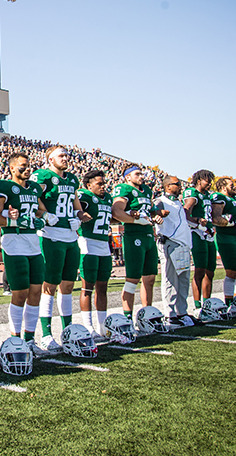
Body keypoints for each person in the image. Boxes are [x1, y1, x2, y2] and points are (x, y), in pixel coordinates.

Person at [30, 146, 91, 350]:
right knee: (49, 286)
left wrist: (80, 215)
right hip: (50, 235)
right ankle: (46, 334)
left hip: (69, 235)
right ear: (50, 159)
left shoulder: (72, 178)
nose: (66, 158)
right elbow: (32, 195)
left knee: (67, 285)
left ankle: (68, 330)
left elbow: (74, 200)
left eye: (67, 155)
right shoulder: (42, 175)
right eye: (61, 155)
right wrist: (45, 214)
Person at [0, 152, 47, 353]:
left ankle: (30, 339)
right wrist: (10, 218)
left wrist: (43, 218)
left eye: (28, 165)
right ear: (12, 168)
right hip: (14, 241)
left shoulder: (34, 188)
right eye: (22, 166)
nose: (27, 169)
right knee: (20, 292)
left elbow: (40, 211)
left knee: (36, 292)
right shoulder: (4, 187)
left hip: (33, 242)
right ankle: (16, 339)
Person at [111, 165, 166, 322]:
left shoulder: (147, 191)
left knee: (150, 278)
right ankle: (127, 316)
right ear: (128, 177)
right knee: (133, 278)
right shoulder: (123, 189)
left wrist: (155, 217)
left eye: (141, 173)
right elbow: (117, 212)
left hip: (148, 234)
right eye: (137, 174)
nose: (141, 176)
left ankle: (147, 313)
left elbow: (150, 211)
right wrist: (137, 220)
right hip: (134, 234)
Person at [76, 170, 114, 337]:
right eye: (99, 183)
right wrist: (80, 214)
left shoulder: (108, 198)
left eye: (103, 183)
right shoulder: (84, 196)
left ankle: (102, 325)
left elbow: (110, 217)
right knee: (87, 287)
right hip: (88, 242)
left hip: (103, 243)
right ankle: (88, 326)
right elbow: (74, 209)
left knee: (103, 287)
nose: (103, 186)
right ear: (88, 185)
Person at [153, 176, 195, 326]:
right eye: (177, 184)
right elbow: (153, 213)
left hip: (182, 243)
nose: (180, 186)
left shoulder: (178, 202)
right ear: (167, 186)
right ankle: (169, 313)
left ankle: (182, 311)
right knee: (170, 279)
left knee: (183, 279)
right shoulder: (160, 200)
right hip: (170, 241)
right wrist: (158, 214)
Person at [182, 170, 217, 311]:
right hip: (197, 233)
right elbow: (186, 212)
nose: (209, 183)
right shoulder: (192, 193)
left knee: (210, 270)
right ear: (198, 180)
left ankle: (207, 303)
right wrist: (197, 223)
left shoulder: (208, 195)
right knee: (200, 270)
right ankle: (197, 306)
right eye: (207, 180)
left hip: (208, 233)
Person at [210, 177, 236, 305]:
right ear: (223, 187)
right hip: (227, 238)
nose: (234, 187)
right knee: (231, 271)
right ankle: (229, 302)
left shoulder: (234, 199)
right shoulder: (219, 197)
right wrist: (231, 223)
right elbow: (215, 218)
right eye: (231, 185)